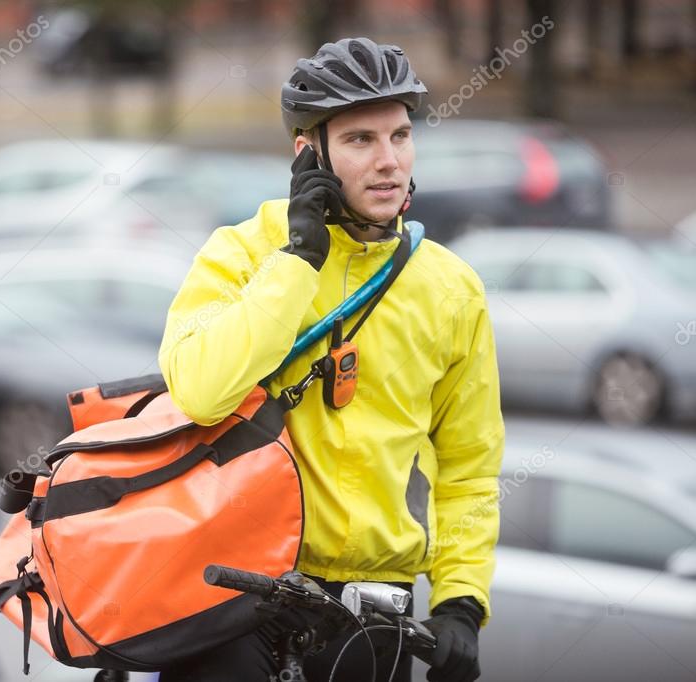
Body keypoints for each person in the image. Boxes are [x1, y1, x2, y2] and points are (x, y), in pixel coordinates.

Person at [157, 38, 503, 682]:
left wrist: (461, 599)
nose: (388, 161)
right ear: (308, 153)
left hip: (376, 614)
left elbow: (470, 468)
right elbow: (201, 390)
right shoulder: (239, 254)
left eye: (400, 136)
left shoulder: (452, 288)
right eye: (360, 140)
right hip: (244, 597)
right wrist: (296, 260)